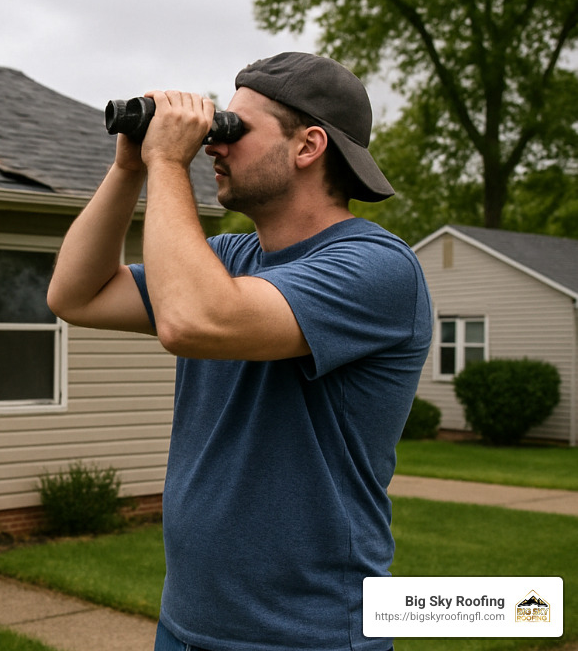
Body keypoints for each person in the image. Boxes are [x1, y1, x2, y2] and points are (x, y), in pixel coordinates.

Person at [47, 52, 432, 651]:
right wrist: (131, 168)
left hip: (307, 635)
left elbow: (195, 322)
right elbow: (76, 295)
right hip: (186, 626)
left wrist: (168, 161)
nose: (212, 144)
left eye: (234, 129)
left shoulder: (377, 268)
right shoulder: (228, 259)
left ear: (308, 146)